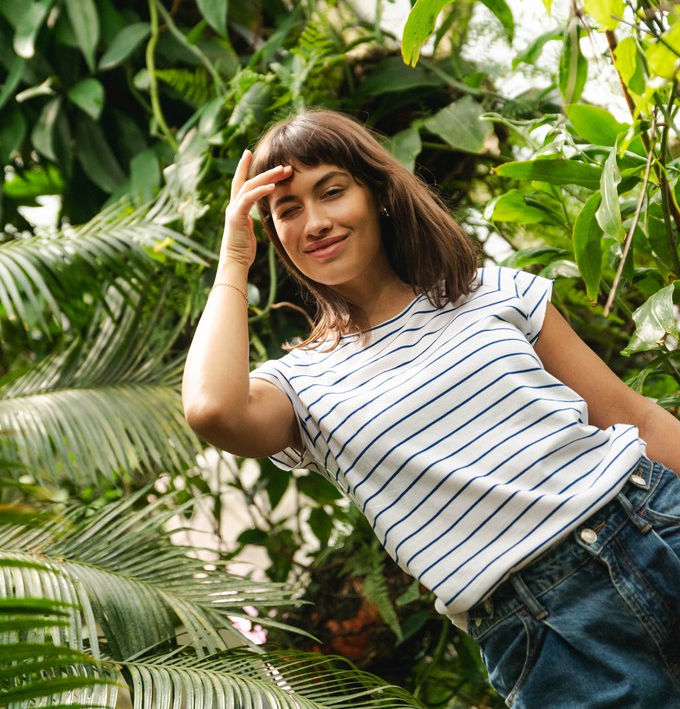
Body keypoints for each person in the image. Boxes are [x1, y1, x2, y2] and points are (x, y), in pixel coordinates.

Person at [182, 109, 680, 708]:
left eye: (332, 191)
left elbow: (636, 418)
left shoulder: (492, 290)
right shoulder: (298, 384)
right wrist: (234, 257)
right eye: (288, 210)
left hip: (652, 521)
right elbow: (211, 410)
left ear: (378, 194)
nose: (314, 222)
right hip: (546, 628)